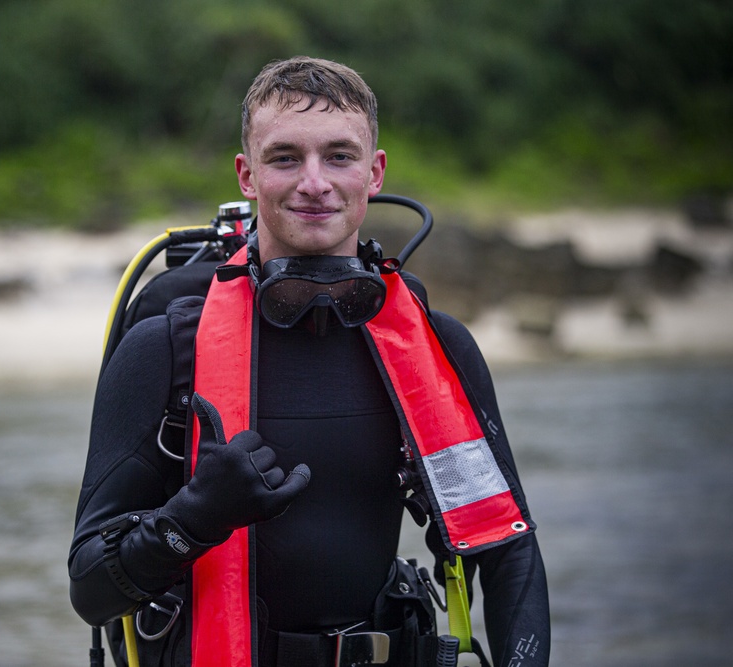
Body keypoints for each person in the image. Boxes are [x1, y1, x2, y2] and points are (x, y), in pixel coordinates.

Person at [69, 56, 550, 667]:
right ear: (248, 175)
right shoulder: (166, 349)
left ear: (374, 172)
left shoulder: (434, 350)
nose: (314, 182)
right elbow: (89, 590)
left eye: (339, 156)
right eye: (285, 157)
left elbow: (508, 555)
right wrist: (193, 518)